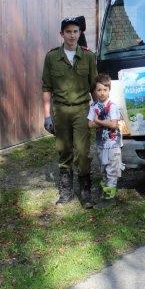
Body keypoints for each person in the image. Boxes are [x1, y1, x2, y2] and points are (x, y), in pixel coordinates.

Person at [42, 16, 98, 208]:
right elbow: (46, 88)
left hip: (82, 110)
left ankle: (85, 192)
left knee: (82, 152)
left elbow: (95, 87)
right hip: (61, 112)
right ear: (62, 34)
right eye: (68, 32)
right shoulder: (51, 57)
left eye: (75, 31)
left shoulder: (89, 57)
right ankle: (66, 191)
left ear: (80, 33)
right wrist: (47, 115)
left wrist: (99, 111)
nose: (72, 35)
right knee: (64, 151)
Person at [87, 74, 123, 208]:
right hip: (101, 144)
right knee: (103, 170)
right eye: (99, 90)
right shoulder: (94, 106)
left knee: (112, 170)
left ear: (109, 90)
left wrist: (98, 121)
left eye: (105, 90)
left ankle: (109, 199)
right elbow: (90, 124)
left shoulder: (112, 106)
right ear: (95, 91)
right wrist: (102, 122)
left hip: (113, 145)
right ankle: (105, 194)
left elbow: (113, 124)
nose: (102, 93)